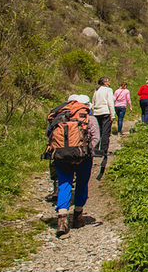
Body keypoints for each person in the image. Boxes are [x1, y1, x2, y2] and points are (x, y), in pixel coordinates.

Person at [47, 94, 100, 238]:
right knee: (82, 184)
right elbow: (96, 138)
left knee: (64, 184)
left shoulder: (58, 118)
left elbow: (49, 136)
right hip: (84, 158)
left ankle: (62, 220)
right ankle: (78, 216)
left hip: (61, 157)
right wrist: (86, 151)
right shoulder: (90, 119)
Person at [92, 77, 115, 157]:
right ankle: (103, 150)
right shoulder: (109, 90)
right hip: (105, 112)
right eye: (108, 81)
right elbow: (110, 103)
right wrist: (113, 114)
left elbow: (93, 102)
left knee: (97, 132)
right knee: (106, 132)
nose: (109, 82)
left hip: (96, 113)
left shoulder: (97, 90)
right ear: (105, 82)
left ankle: (95, 150)